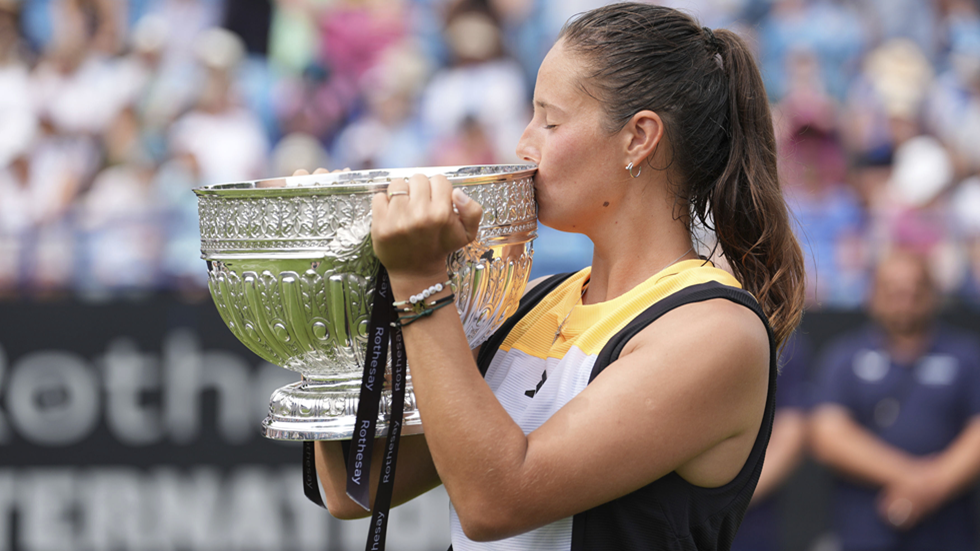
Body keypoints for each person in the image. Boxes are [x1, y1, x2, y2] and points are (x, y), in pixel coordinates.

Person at [310, 3, 805, 549]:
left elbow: (495, 501)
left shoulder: (713, 330)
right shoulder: (533, 301)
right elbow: (353, 487)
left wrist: (423, 281)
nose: (524, 146)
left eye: (550, 120)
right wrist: (346, 277)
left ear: (639, 137)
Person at [810, 249, 980, 551]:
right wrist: (913, 478)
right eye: (893, 289)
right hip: (864, 529)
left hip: (949, 531)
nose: (906, 298)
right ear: (873, 295)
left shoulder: (967, 357)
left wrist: (933, 486)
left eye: (916, 288)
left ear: (934, 294)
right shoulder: (844, 358)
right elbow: (828, 435)